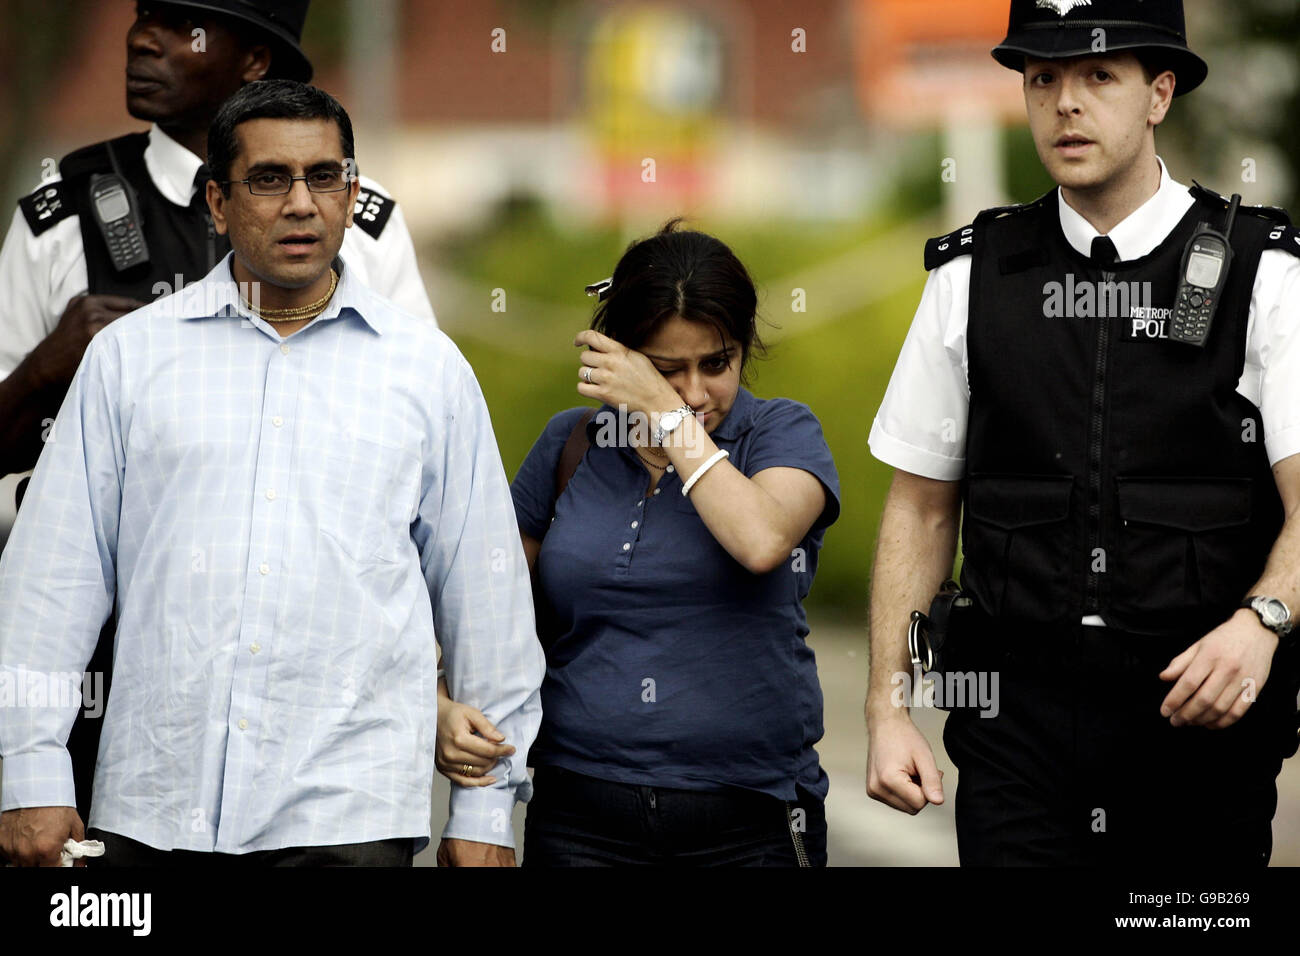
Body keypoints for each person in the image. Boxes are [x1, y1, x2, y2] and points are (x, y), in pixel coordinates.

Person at [0, 80, 543, 867]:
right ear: (217, 203)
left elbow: (485, 603)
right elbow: (51, 585)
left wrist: (486, 813)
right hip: (158, 811)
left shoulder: (427, 373)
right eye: (269, 179)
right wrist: (30, 774)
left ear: (352, 195)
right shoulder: (130, 360)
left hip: (351, 820)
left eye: (324, 178)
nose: (301, 204)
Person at [865, 0, 1300, 866]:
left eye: (1099, 75)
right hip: (1013, 731)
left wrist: (1264, 620)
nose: (1066, 102)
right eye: (1043, 78)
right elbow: (917, 511)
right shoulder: (971, 276)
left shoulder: (1266, 273)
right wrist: (887, 707)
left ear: (1160, 93)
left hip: (1197, 733)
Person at [0, 0, 434, 824]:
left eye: (179, 23)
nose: (141, 38)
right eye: (140, 16)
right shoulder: (62, 208)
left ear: (254, 62)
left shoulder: (362, 219)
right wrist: (48, 369)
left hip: (314, 697)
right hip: (89, 671)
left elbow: (426, 464)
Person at [436, 222, 841, 866]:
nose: (695, 393)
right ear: (618, 356)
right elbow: (486, 606)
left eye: (717, 363)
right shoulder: (571, 445)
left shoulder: (779, 433)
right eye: (665, 370)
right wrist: (439, 702)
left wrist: (665, 413)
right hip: (579, 817)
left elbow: (762, 540)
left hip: (748, 821)